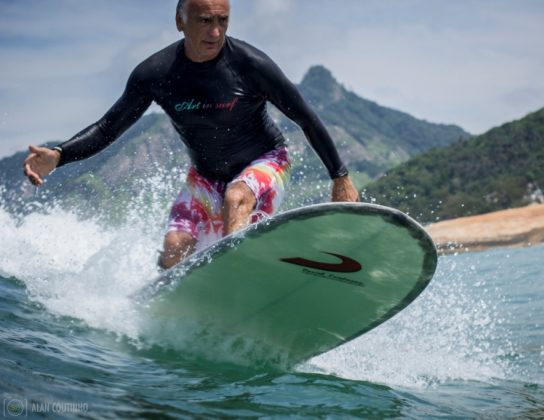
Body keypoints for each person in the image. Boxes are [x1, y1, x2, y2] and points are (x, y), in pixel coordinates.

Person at [23, 0, 358, 269]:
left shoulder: (250, 64)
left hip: (266, 159)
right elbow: (109, 127)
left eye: (223, 21)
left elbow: (306, 117)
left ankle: (236, 279)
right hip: (206, 176)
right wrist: (61, 154)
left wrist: (339, 175)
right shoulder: (155, 73)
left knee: (236, 198)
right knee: (174, 249)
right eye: (204, 21)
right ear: (180, 20)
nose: (215, 32)